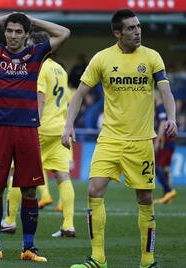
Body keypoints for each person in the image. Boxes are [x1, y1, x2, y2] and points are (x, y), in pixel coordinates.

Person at [62, 9, 177, 268]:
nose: (138, 31)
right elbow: (79, 93)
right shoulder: (102, 59)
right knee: (94, 189)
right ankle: (98, 259)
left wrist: (171, 117)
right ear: (117, 33)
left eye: (138, 27)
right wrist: (68, 125)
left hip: (141, 142)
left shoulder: (152, 57)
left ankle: (147, 261)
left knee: (145, 199)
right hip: (110, 139)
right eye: (131, 28)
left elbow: (165, 90)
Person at [0, 12, 70, 262]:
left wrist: (32, 19)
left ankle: (29, 248)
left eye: (18, 31)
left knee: (30, 190)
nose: (12, 35)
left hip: (27, 128)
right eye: (9, 30)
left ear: (26, 35)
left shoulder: (36, 54)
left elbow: (64, 33)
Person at [1, 31, 76, 238]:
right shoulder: (61, 70)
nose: (28, 48)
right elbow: (65, 102)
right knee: (62, 175)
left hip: (41, 128)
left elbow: (40, 99)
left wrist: (33, 123)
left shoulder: (40, 67)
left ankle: (8, 221)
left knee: (17, 173)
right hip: (59, 129)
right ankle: (68, 225)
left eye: (31, 44)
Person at [154, 91, 177, 204]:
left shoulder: (160, 107)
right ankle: (167, 195)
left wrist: (158, 139)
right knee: (164, 168)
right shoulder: (162, 107)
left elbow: (163, 122)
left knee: (157, 166)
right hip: (169, 140)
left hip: (165, 140)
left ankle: (168, 191)